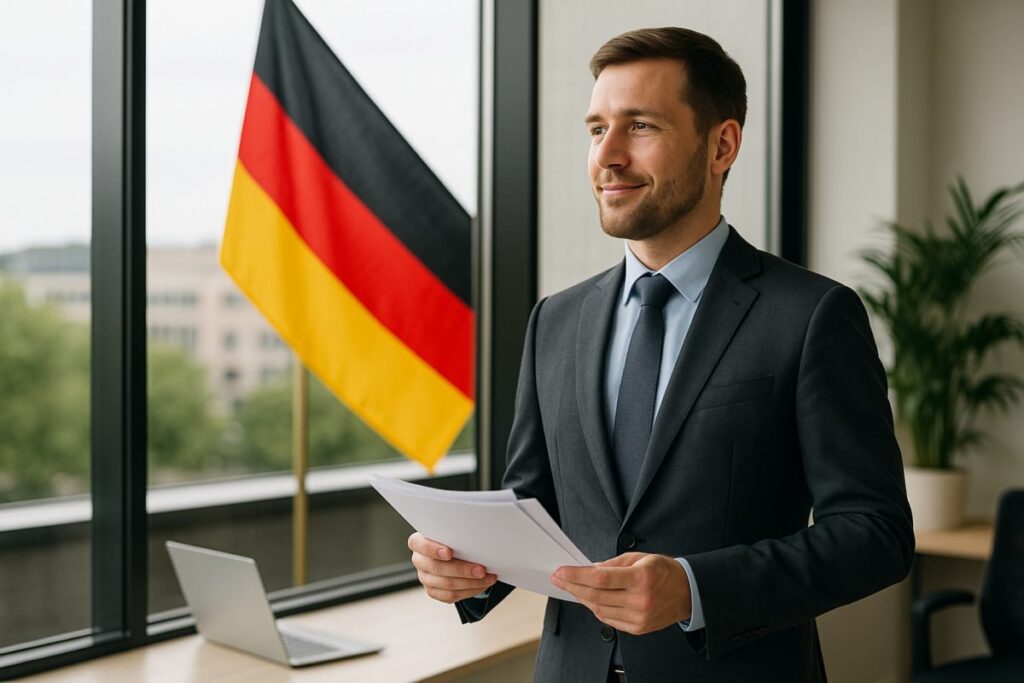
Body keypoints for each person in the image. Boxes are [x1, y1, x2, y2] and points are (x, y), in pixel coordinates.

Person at [408, 27, 913, 682]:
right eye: (596, 129)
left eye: (639, 126)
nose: (608, 156)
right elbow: (535, 506)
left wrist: (695, 587)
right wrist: (469, 568)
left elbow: (876, 534)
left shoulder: (811, 315)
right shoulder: (554, 320)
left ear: (721, 145)